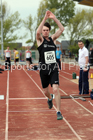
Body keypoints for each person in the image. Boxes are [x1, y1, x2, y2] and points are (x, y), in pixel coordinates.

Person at [36, 10, 64, 120]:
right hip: (43, 69)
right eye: (44, 30)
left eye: (47, 30)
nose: (45, 32)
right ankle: (49, 98)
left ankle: (58, 111)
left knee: (56, 89)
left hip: (53, 68)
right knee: (46, 91)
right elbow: (37, 33)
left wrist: (54, 18)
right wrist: (44, 19)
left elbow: (61, 29)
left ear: (49, 31)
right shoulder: (40, 40)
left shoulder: (53, 39)